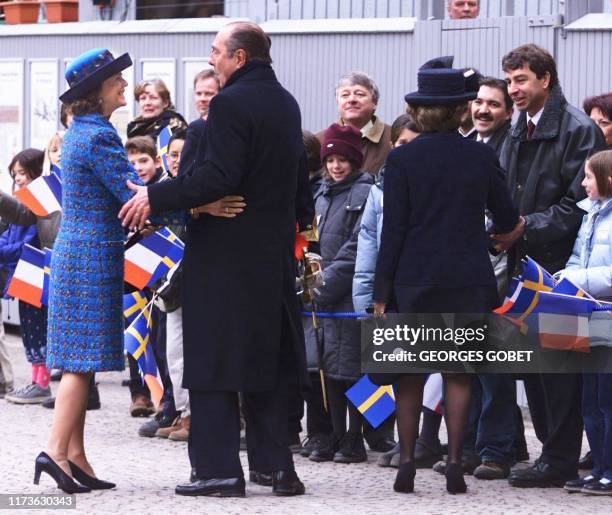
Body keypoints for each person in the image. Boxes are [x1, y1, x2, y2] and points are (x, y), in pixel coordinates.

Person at [119, 21, 313, 498]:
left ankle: (219, 471)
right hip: (269, 256)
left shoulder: (230, 103)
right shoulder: (286, 102)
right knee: (263, 362)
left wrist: (155, 195)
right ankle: (277, 469)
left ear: (240, 58)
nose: (212, 59)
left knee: (211, 364)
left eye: (216, 52)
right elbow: (294, 182)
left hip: (226, 252)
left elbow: (218, 177)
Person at [372, 65, 520, 495]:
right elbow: (507, 216)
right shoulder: (480, 155)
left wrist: (382, 294)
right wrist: (493, 241)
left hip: (413, 279)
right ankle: (455, 463)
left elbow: (393, 231)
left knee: (410, 375)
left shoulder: (401, 158)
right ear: (461, 110)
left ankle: (406, 463)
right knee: (459, 373)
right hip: (467, 278)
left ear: (419, 112)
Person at [494, 44, 606, 489]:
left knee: (559, 371)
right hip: (523, 262)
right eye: (509, 81)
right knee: (533, 368)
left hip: (560, 270)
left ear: (545, 78)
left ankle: (558, 458)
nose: (513, 90)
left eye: (521, 80)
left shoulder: (577, 129)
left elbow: (581, 204)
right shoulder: (517, 127)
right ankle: (550, 453)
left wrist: (523, 228)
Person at [35, 47, 138, 494]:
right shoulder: (99, 136)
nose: (125, 85)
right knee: (80, 362)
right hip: (91, 255)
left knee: (83, 358)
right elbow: (130, 192)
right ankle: (56, 451)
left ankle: (75, 455)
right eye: (117, 79)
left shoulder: (82, 131)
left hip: (78, 251)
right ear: (96, 92)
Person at [351, 114, 421, 469]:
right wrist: (365, 298)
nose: (404, 151)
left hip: (424, 289)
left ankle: (430, 441)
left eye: (413, 144)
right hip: (388, 292)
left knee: (435, 376)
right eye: (401, 144)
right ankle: (406, 440)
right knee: (398, 372)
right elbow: (369, 246)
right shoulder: (379, 188)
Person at [304, 123, 373, 464]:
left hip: (347, 295)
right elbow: (309, 239)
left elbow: (358, 246)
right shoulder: (319, 192)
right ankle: (331, 433)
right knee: (327, 368)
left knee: (354, 370)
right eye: (330, 158)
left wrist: (325, 283)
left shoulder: (365, 192)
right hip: (321, 295)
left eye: (343, 159)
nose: (335, 166)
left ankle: (356, 437)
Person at [554, 149, 612, 495]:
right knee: (590, 397)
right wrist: (567, 276)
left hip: (608, 314)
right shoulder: (589, 214)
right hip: (587, 314)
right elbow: (579, 256)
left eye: (589, 176)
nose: (582, 183)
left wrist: (579, 279)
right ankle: (599, 468)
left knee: (608, 399)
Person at [2, 149, 49, 405]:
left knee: (37, 328)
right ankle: (35, 379)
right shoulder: (23, 201)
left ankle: (42, 383)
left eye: (22, 173)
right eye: (15, 174)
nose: (18, 178)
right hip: (23, 276)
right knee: (29, 329)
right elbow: (9, 237)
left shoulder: (37, 205)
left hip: (35, 276)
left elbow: (27, 246)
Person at [318, 71, 392, 175]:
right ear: (337, 102)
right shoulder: (319, 141)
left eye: (359, 94)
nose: (351, 99)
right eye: (345, 95)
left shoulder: (394, 139)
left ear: (375, 102)